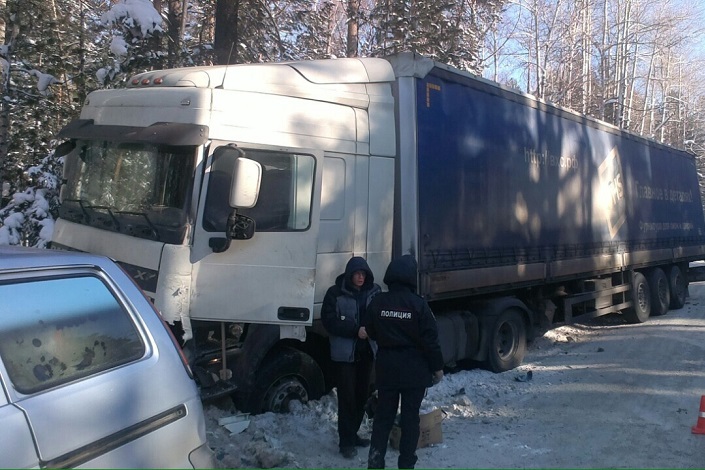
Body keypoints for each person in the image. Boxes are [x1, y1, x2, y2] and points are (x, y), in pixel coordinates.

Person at [366, 254, 444, 469]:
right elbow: (431, 341)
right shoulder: (419, 305)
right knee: (410, 420)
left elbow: (370, 331)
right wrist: (437, 368)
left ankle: (375, 461)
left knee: (383, 418)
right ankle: (406, 464)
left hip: (387, 369)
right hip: (414, 370)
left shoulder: (377, 302)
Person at [322, 256, 382, 459]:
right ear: (349, 275)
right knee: (346, 399)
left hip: (367, 354)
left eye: (363, 274)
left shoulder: (374, 292)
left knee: (361, 397)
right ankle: (345, 442)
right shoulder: (335, 293)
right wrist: (355, 329)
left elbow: (380, 316)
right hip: (345, 357)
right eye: (357, 274)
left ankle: (353, 433)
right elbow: (329, 321)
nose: (360, 277)